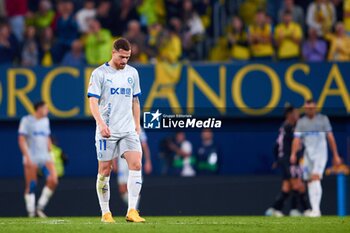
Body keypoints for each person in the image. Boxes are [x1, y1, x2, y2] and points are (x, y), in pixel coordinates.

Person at [87, 38, 145, 223]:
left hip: (128, 129)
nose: (124, 61)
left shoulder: (132, 73)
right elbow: (93, 101)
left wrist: (137, 124)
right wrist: (101, 124)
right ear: (113, 53)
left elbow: (135, 101)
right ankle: (106, 213)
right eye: (122, 57)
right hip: (107, 130)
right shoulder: (99, 74)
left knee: (136, 165)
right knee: (105, 170)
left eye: (127, 57)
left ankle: (132, 211)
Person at [291, 99, 342, 217]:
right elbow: (297, 139)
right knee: (309, 180)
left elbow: (330, 137)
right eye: (307, 108)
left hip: (320, 154)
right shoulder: (301, 122)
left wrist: (335, 155)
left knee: (315, 177)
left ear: (315, 107)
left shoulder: (323, 120)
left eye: (312, 108)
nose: (310, 110)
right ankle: (314, 209)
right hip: (308, 155)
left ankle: (316, 209)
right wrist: (293, 153)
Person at [266, 106, 311, 217]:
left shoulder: (285, 127)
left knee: (286, 187)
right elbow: (291, 145)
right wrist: (292, 156)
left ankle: (274, 209)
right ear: (289, 115)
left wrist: (277, 160)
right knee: (298, 185)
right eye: (295, 114)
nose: (298, 116)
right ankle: (303, 209)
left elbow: (276, 146)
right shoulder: (289, 127)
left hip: (285, 160)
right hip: (288, 160)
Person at [18, 101, 58, 218]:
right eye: (46, 108)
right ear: (39, 108)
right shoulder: (26, 120)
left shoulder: (46, 121)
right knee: (32, 184)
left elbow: (47, 138)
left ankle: (39, 208)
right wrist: (27, 157)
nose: (48, 110)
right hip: (32, 157)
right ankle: (31, 213)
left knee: (53, 180)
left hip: (45, 157)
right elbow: (21, 140)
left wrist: (51, 154)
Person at [112, 128, 152, 206]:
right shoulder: (118, 125)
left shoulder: (137, 126)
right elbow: (114, 145)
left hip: (135, 160)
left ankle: (133, 210)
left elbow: (144, 146)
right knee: (122, 189)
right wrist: (114, 162)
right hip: (122, 162)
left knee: (135, 187)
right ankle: (132, 208)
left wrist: (148, 161)